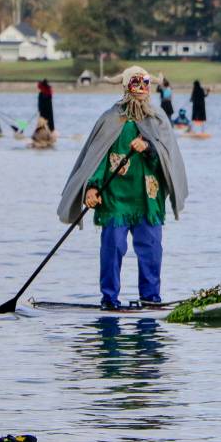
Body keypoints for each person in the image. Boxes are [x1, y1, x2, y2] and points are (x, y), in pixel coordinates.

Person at [57, 66, 189, 310]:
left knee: (151, 251)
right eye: (137, 84)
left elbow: (167, 157)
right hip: (115, 197)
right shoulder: (110, 118)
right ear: (127, 86)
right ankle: (109, 298)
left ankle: (151, 298)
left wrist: (148, 147)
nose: (142, 90)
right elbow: (97, 156)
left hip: (148, 198)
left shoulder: (157, 119)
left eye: (146, 84)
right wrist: (92, 188)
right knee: (113, 248)